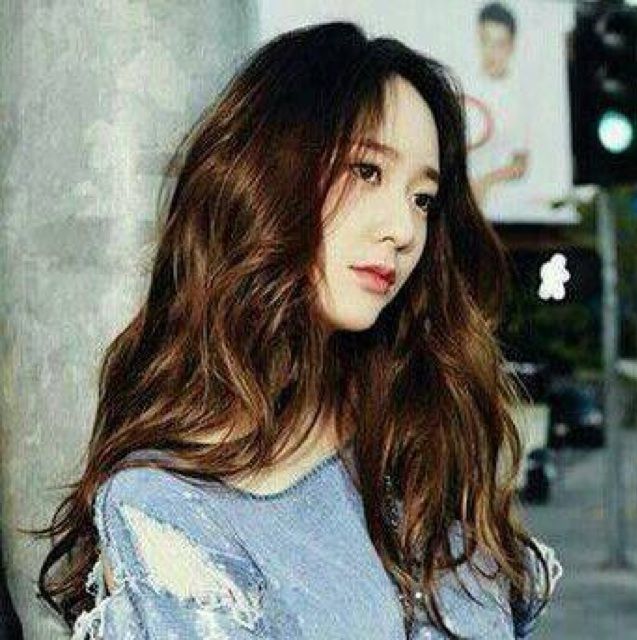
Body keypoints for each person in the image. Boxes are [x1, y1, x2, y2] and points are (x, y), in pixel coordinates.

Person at [32, 21, 562, 639]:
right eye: (367, 171)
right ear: (268, 175)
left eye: (422, 198)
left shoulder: (417, 438)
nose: (403, 230)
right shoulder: (171, 511)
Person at [465, 2, 531, 213]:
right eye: (486, 40)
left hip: (500, 208)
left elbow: (520, 165)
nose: (491, 52)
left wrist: (484, 183)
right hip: (459, 204)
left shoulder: (517, 99)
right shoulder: (463, 85)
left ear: (511, 46)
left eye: (499, 44)